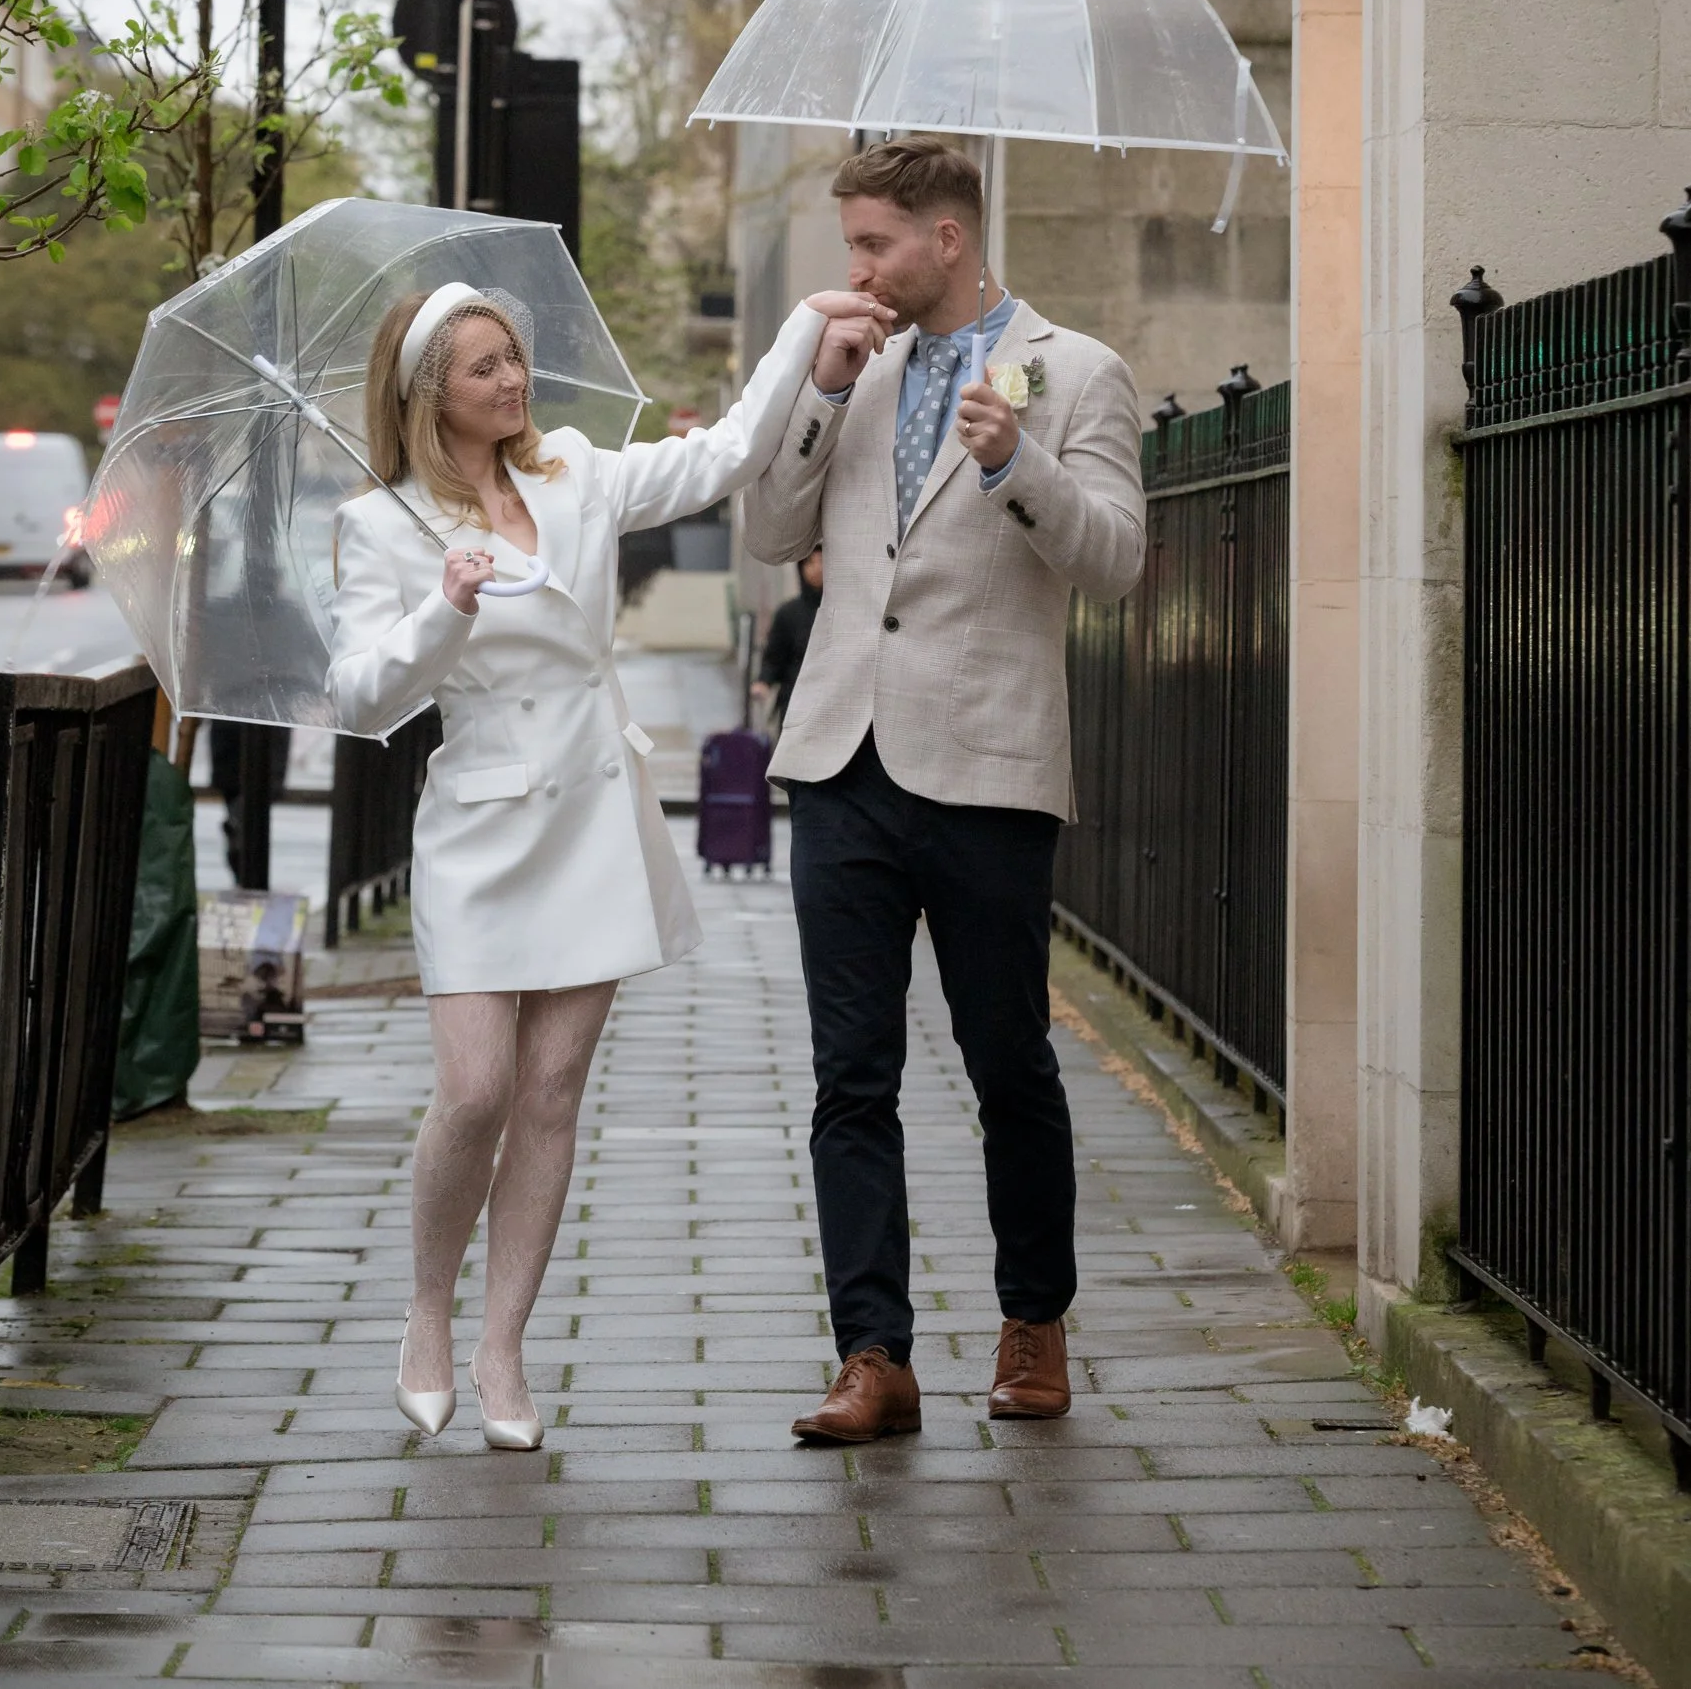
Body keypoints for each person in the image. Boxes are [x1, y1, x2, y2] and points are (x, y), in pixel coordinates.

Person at [327, 276, 887, 1451]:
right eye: (483, 366)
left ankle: (501, 1346)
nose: (512, 378)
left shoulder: (573, 469)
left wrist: (804, 322)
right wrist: (445, 609)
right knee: (474, 1087)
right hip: (479, 827)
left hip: (592, 816)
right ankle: (426, 1313)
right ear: (432, 390)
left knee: (549, 1094)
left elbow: (727, 454)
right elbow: (360, 693)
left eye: (514, 356)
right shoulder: (381, 523)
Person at [743, 134, 1146, 1446]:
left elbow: (1118, 564)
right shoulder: (851, 364)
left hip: (986, 769)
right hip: (841, 765)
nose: (852, 267)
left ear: (947, 237)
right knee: (847, 1075)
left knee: (1005, 1061)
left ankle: (1034, 1320)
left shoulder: (1071, 370)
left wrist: (1013, 464)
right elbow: (766, 528)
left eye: (871, 243)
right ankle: (874, 1354)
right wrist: (815, 386)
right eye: (850, 243)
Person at [752, 547, 822, 727]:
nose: (817, 569)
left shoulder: (844, 612)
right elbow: (774, 656)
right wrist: (764, 682)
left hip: (832, 702)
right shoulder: (789, 613)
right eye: (810, 563)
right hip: (795, 701)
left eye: (822, 562)